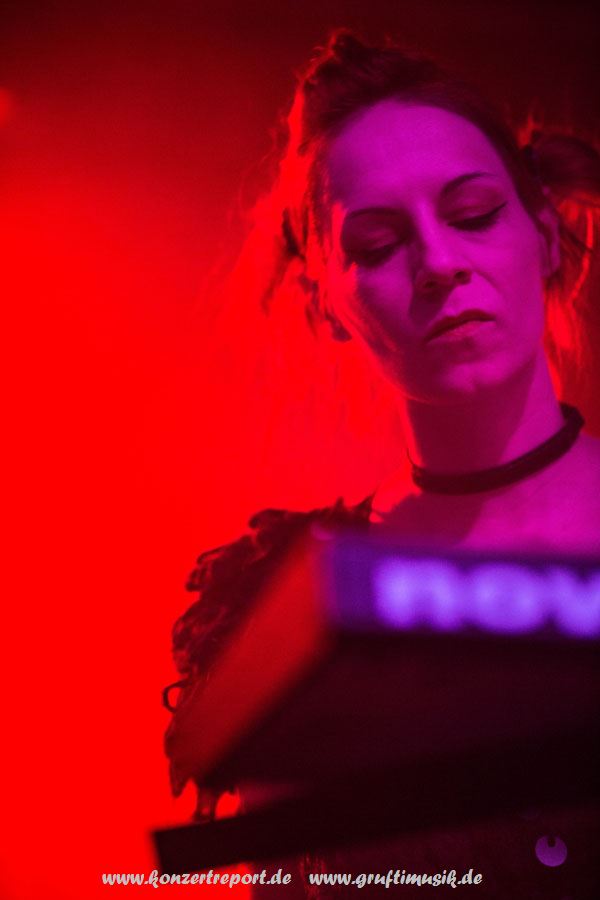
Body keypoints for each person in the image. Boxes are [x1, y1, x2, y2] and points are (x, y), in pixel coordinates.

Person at [163, 30, 600, 898]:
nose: (440, 264)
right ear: (327, 303)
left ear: (547, 235)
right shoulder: (280, 606)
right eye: (374, 243)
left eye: (473, 213)